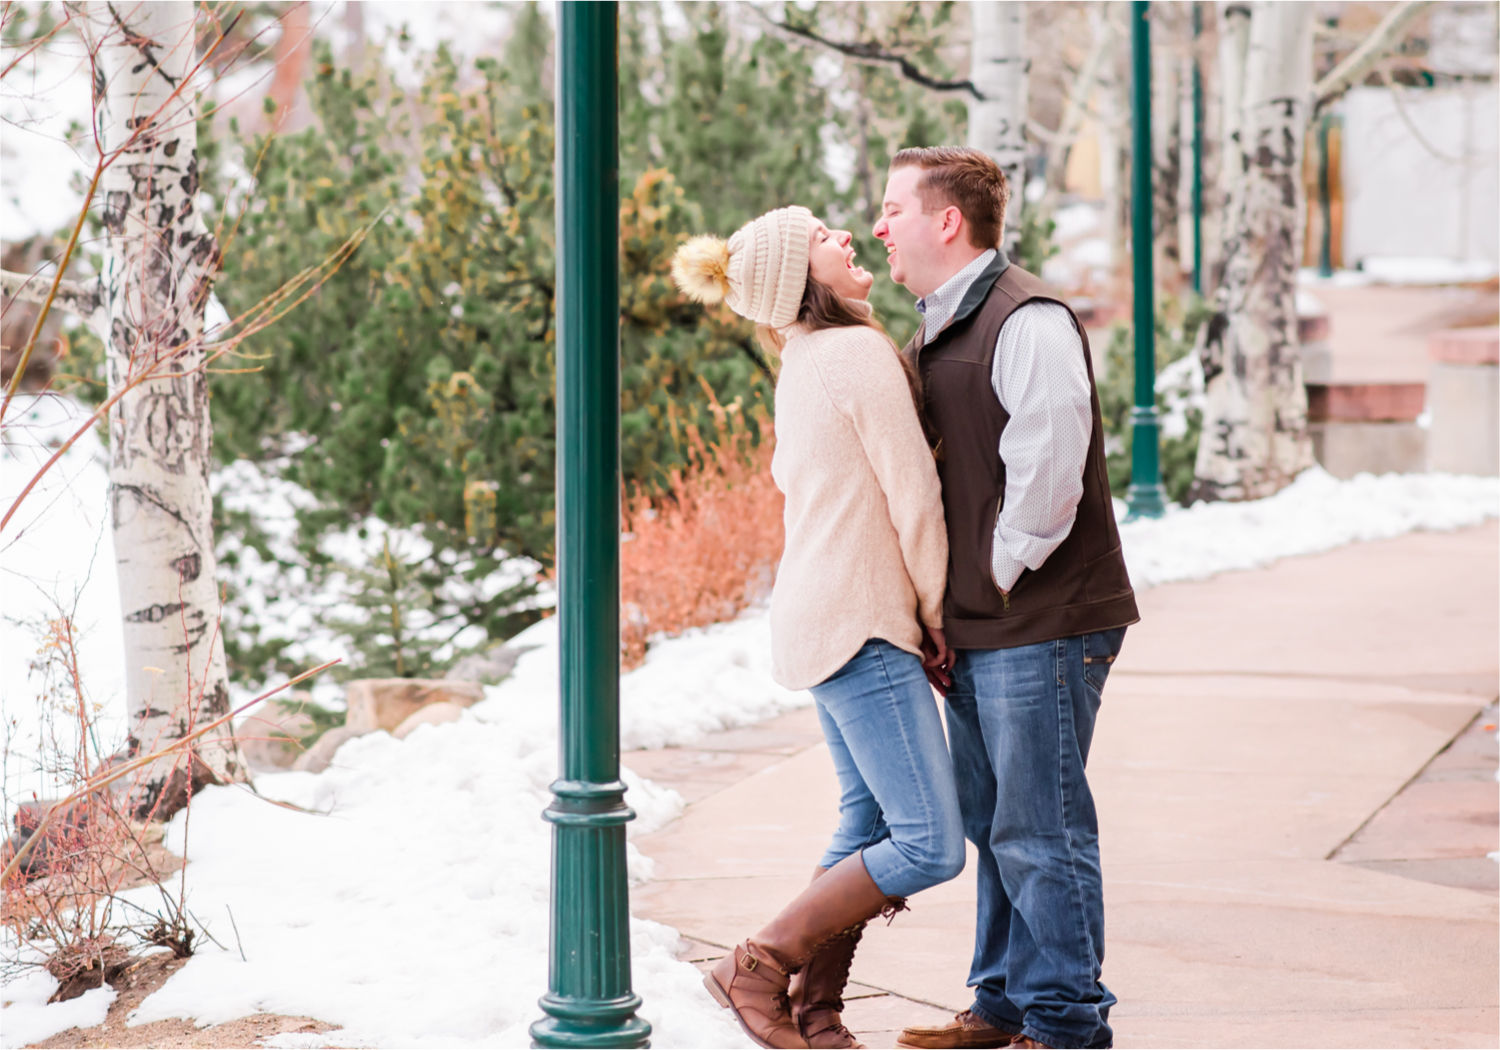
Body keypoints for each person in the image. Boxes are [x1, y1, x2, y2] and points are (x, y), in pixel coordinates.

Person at [672, 206, 966, 1050]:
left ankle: (816, 1009)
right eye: (823, 239)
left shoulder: (804, 359)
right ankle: (756, 965)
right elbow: (913, 497)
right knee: (929, 844)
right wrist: (935, 616)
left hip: (821, 616)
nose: (845, 238)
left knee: (864, 825)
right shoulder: (855, 354)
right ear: (802, 281)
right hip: (860, 622)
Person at [871, 148, 1140, 1050]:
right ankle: (1001, 1010)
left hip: (1043, 620)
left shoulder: (1026, 321)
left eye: (893, 209)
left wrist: (992, 577)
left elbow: (1048, 475)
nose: (880, 228)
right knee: (994, 827)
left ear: (948, 222)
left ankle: (1066, 1028)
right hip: (987, 624)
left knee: (1040, 829)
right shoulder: (938, 326)